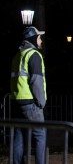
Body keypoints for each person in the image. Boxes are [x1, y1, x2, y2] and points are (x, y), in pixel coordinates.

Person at [10, 26, 47, 164]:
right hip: (31, 103)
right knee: (40, 135)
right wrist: (41, 102)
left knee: (19, 136)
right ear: (33, 38)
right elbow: (36, 81)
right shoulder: (34, 55)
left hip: (16, 102)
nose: (41, 40)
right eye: (39, 37)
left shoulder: (17, 55)